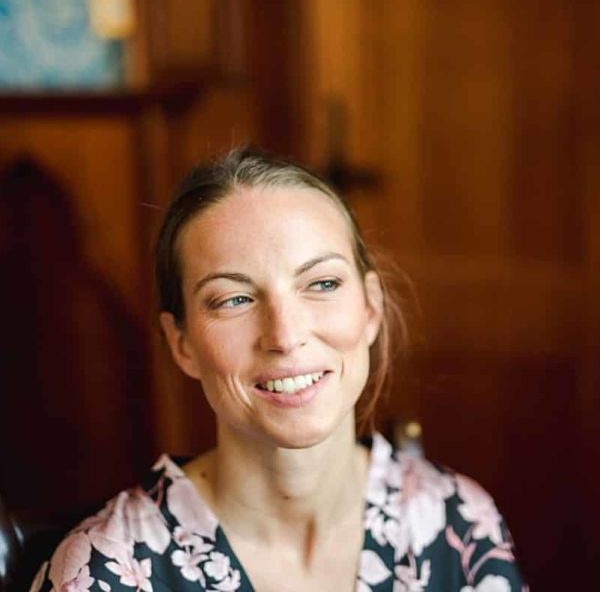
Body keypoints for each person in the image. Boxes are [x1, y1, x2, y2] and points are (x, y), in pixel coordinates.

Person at [30, 148, 527, 591]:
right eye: (235, 299)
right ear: (180, 343)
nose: (286, 336)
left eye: (323, 284)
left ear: (371, 308)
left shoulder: (458, 524)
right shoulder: (104, 571)